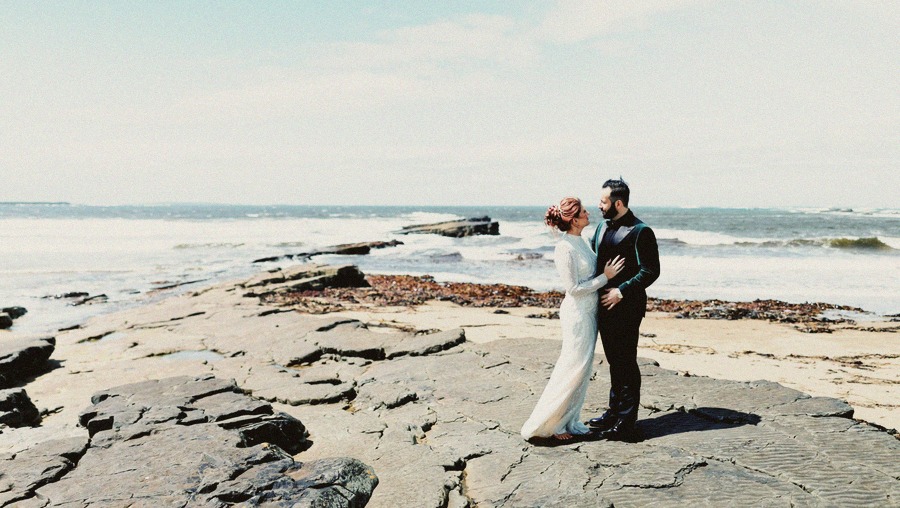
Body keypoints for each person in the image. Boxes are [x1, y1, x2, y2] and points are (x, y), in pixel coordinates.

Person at [521, 197, 624, 445]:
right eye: (583, 211)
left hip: (589, 312)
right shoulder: (564, 247)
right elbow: (574, 288)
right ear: (574, 220)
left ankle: (569, 420)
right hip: (577, 315)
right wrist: (605, 277)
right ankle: (552, 424)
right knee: (572, 367)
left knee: (582, 369)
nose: (589, 213)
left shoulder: (581, 241)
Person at [587, 179, 660, 442]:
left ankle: (627, 422)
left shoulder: (641, 231)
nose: (598, 205)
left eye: (603, 202)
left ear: (618, 203)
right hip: (604, 307)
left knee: (626, 362)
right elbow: (593, 260)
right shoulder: (601, 227)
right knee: (613, 362)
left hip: (627, 308)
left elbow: (651, 271)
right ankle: (613, 413)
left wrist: (621, 291)